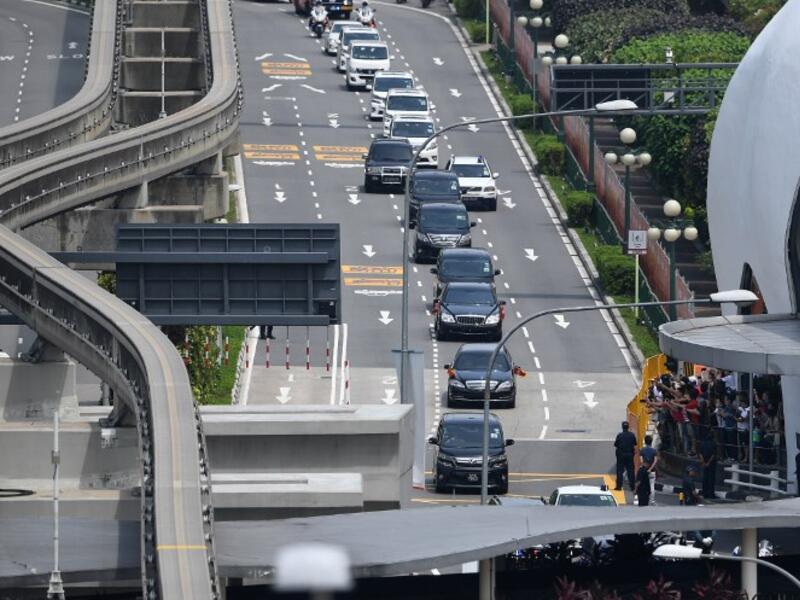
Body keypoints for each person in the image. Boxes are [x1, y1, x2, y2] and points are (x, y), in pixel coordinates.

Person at [614, 421, 637, 491]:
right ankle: (632, 486)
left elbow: (616, 445)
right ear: (628, 427)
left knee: (619, 471)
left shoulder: (619, 435)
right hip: (629, 455)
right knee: (630, 471)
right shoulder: (632, 435)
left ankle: (619, 486)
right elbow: (635, 444)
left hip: (621, 455)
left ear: (622, 427)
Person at [640, 434, 659, 503]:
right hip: (652, 471)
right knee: (652, 486)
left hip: (644, 471)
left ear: (645, 442)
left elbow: (641, 461)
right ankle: (652, 500)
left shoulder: (642, 450)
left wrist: (645, 467)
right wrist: (650, 468)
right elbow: (655, 460)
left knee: (644, 485)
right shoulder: (654, 451)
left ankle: (645, 498)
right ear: (651, 442)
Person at [699, 432, 717, 499]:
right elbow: (713, 455)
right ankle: (711, 494)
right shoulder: (713, 444)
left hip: (704, 462)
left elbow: (700, 454)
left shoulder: (702, 443)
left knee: (705, 478)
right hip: (711, 463)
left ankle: (705, 493)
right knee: (711, 479)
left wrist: (703, 462)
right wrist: (709, 463)